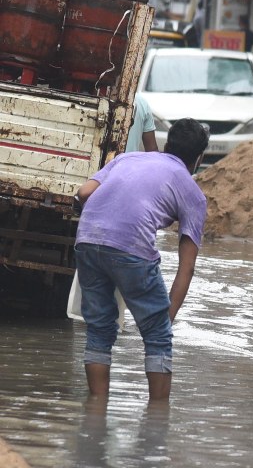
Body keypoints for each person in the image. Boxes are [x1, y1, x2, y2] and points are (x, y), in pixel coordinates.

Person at [74, 118, 209, 401]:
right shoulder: (192, 193)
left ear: (166, 145)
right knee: (158, 338)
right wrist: (165, 319)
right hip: (130, 247)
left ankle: (96, 412)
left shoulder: (127, 158)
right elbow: (187, 268)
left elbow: (84, 192)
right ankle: (157, 419)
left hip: (87, 237)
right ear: (199, 158)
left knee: (99, 329)